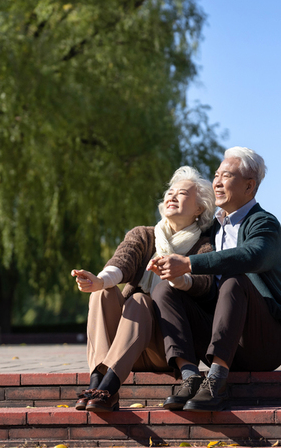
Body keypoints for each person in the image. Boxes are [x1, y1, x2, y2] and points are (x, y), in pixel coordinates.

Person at [148, 147, 281, 412]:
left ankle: (216, 383)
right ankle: (189, 377)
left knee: (234, 281)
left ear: (249, 186)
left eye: (227, 176)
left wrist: (188, 263)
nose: (217, 182)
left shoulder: (264, 224)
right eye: (216, 175)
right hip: (220, 337)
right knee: (166, 289)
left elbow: (252, 256)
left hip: (263, 342)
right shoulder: (212, 228)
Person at [70, 166, 215, 412]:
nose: (172, 196)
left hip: (164, 348)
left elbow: (205, 284)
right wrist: (100, 280)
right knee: (102, 292)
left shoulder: (204, 247)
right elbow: (122, 262)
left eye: (182, 193)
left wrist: (178, 277)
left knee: (139, 300)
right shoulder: (144, 236)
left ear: (199, 209)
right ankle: (98, 382)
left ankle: (110, 385)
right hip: (124, 348)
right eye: (170, 192)